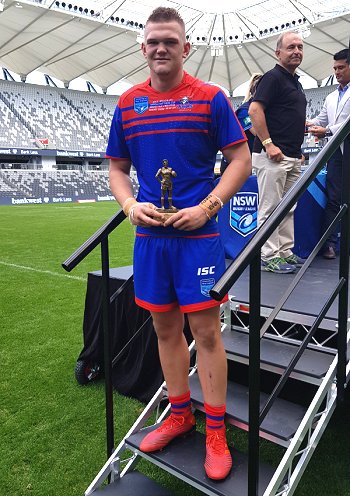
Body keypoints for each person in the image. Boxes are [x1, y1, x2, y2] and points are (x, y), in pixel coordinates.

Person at [106, 6, 251, 481]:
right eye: (153, 41)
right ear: (142, 48)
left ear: (186, 48)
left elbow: (240, 159)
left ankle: (214, 430)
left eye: (170, 41)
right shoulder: (127, 103)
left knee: (206, 334)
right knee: (165, 331)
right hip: (150, 238)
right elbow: (117, 170)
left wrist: (208, 207)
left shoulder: (209, 98)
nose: (161, 48)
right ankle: (179, 412)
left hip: (199, 239)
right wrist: (129, 207)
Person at [249, 31, 307, 274]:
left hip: (291, 155)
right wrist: (269, 144)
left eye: (300, 47)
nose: (296, 51)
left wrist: (299, 150)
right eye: (291, 47)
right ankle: (268, 255)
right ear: (278, 52)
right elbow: (254, 110)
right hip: (273, 155)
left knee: (287, 208)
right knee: (270, 208)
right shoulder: (273, 77)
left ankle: (284, 251)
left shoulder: (297, 81)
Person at [307, 49, 350, 260]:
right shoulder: (332, 96)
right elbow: (321, 120)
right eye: (334, 68)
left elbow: (340, 125)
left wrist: (327, 131)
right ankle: (329, 244)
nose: (337, 72)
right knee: (333, 199)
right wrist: (306, 122)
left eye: (341, 67)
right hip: (336, 153)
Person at [220, 73, 263, 174]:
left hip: (251, 162)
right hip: (235, 165)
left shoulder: (263, 110)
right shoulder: (244, 111)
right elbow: (258, 134)